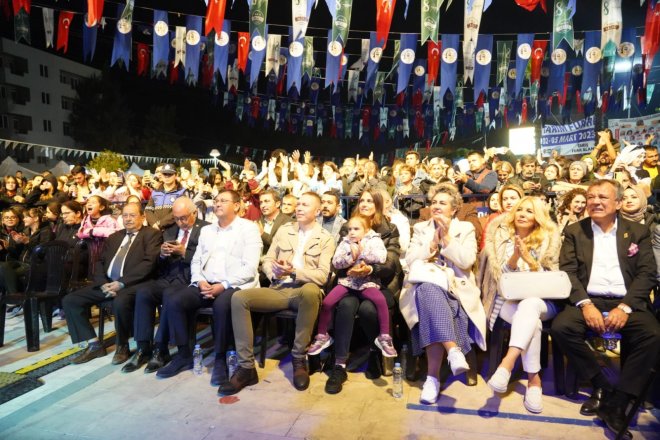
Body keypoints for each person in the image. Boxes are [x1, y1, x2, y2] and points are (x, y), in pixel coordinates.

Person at [551, 179, 660, 435]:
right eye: (591, 197)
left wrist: (625, 307)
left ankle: (619, 401)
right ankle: (601, 385)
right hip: (588, 298)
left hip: (626, 300)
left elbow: (647, 273)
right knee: (562, 327)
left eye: (602, 197)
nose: (595, 202)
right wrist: (585, 304)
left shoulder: (637, 231)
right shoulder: (575, 231)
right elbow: (568, 272)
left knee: (652, 334)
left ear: (618, 203)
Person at [221, 192, 335, 395]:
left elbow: (323, 276)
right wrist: (273, 271)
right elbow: (267, 259)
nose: (299, 208)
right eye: (298, 204)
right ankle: (246, 368)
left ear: (317, 211)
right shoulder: (284, 230)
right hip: (280, 288)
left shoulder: (326, 238)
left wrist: (294, 272)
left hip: (305, 290)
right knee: (239, 298)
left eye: (305, 205)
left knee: (310, 291)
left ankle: (299, 358)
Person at [156, 190, 262, 385]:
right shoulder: (207, 230)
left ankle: (220, 359)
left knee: (222, 305)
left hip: (235, 284)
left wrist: (224, 285)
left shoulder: (248, 229)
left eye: (223, 200)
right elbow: (196, 260)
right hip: (206, 282)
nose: (218, 203)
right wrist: (199, 280)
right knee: (174, 300)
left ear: (236, 205)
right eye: (216, 200)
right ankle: (184, 354)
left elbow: (250, 268)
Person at [399, 183, 486, 405]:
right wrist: (431, 244)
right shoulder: (421, 228)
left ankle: (433, 378)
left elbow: (467, 261)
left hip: (456, 287)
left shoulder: (465, 228)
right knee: (429, 291)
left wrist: (447, 238)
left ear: (454, 208)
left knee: (430, 301)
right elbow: (410, 259)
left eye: (443, 203)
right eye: (434, 202)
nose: (436, 206)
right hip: (423, 283)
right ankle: (453, 350)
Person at [482, 197, 562, 413]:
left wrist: (530, 260)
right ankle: (534, 382)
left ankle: (507, 364)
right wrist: (515, 257)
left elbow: (553, 279)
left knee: (531, 304)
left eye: (529, 211)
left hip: (544, 301)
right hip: (508, 301)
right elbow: (500, 279)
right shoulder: (502, 237)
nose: (523, 214)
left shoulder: (548, 239)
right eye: (520, 210)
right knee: (531, 322)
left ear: (538, 217)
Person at [63, 203, 162, 365]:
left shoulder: (152, 235)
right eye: (125, 215)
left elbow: (148, 264)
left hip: (134, 283)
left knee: (120, 301)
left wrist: (121, 283)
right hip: (108, 284)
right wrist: (103, 283)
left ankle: (122, 346)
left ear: (143, 217)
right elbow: (100, 262)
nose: (128, 219)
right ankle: (94, 344)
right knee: (70, 300)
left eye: (132, 215)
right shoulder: (114, 237)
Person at [325, 189, 402, 393]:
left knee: (368, 308)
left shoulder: (390, 229)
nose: (365, 204)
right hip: (350, 281)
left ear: (379, 205)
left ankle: (374, 352)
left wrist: (369, 269)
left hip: (380, 283)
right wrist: (350, 264)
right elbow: (336, 260)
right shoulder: (348, 227)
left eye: (370, 201)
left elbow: (391, 263)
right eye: (362, 200)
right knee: (346, 304)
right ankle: (339, 364)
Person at [121, 197, 208, 374]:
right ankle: (143, 348)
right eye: (176, 218)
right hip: (169, 276)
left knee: (169, 294)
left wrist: (184, 252)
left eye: (183, 218)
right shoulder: (170, 230)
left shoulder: (206, 229)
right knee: (144, 292)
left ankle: (161, 349)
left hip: (190, 279)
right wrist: (162, 254)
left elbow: (209, 259)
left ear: (194, 213)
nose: (180, 222)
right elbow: (158, 264)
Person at [308, 215, 396, 363]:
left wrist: (362, 253)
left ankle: (384, 337)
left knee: (380, 300)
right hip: (348, 282)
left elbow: (381, 257)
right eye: (350, 229)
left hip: (367, 282)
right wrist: (351, 257)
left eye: (356, 229)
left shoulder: (374, 240)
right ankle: (323, 336)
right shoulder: (345, 242)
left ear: (366, 230)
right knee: (328, 302)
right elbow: (336, 262)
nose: (352, 232)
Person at [0, 207, 55, 297]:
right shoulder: (26, 231)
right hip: (20, 262)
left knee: (4, 272)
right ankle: (13, 297)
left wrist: (27, 242)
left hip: (33, 264)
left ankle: (13, 298)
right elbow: (18, 251)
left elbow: (42, 252)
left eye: (26, 217)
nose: (23, 219)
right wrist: (12, 245)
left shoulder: (46, 231)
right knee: (3, 266)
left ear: (36, 218)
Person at [145, 163, 189, 230]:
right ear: (161, 175)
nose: (167, 176)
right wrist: (154, 223)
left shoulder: (182, 192)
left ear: (176, 175)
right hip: (154, 229)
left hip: (173, 230)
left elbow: (178, 211)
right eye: (164, 174)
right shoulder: (155, 192)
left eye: (170, 174)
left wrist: (160, 224)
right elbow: (148, 209)